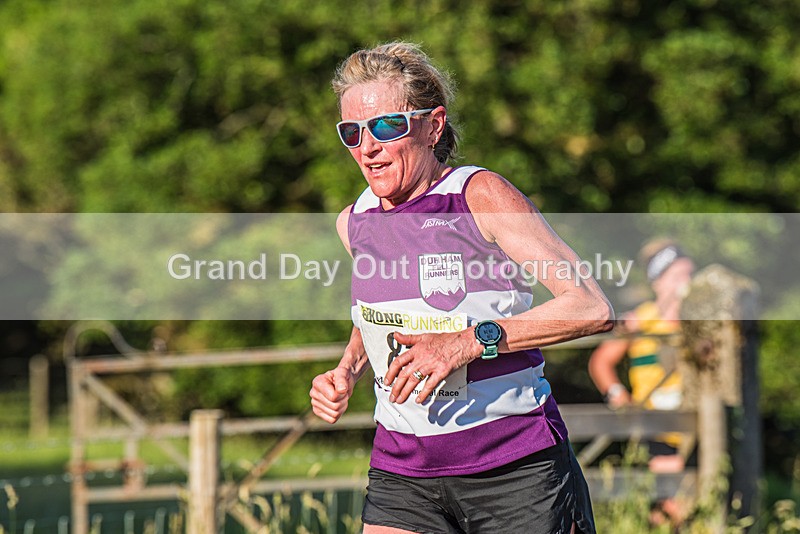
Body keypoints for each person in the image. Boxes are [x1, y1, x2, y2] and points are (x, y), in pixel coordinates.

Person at [309, 42, 613, 534]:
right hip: (403, 471)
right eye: (352, 132)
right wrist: (347, 370)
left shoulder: (478, 196)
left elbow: (590, 307)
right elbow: (376, 318)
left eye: (387, 126)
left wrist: (465, 343)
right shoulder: (354, 221)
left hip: (512, 466)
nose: (368, 147)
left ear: (433, 126)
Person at [588, 238, 694, 524]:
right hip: (656, 424)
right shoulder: (640, 320)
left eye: (689, 274)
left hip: (694, 423)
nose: (687, 282)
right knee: (676, 503)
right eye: (678, 276)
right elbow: (601, 362)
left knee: (674, 506)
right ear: (658, 282)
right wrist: (617, 395)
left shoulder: (698, 322)